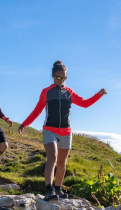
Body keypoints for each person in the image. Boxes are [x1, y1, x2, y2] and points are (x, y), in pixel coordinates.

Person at [18, 60, 107, 201]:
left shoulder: (69, 92)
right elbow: (37, 110)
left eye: (64, 78)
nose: (61, 81)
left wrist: (99, 95)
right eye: (59, 78)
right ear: (53, 76)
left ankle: (58, 189)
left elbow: (84, 104)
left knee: (62, 163)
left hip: (66, 131)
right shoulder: (46, 92)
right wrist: (24, 124)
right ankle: (49, 189)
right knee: (52, 157)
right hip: (49, 130)